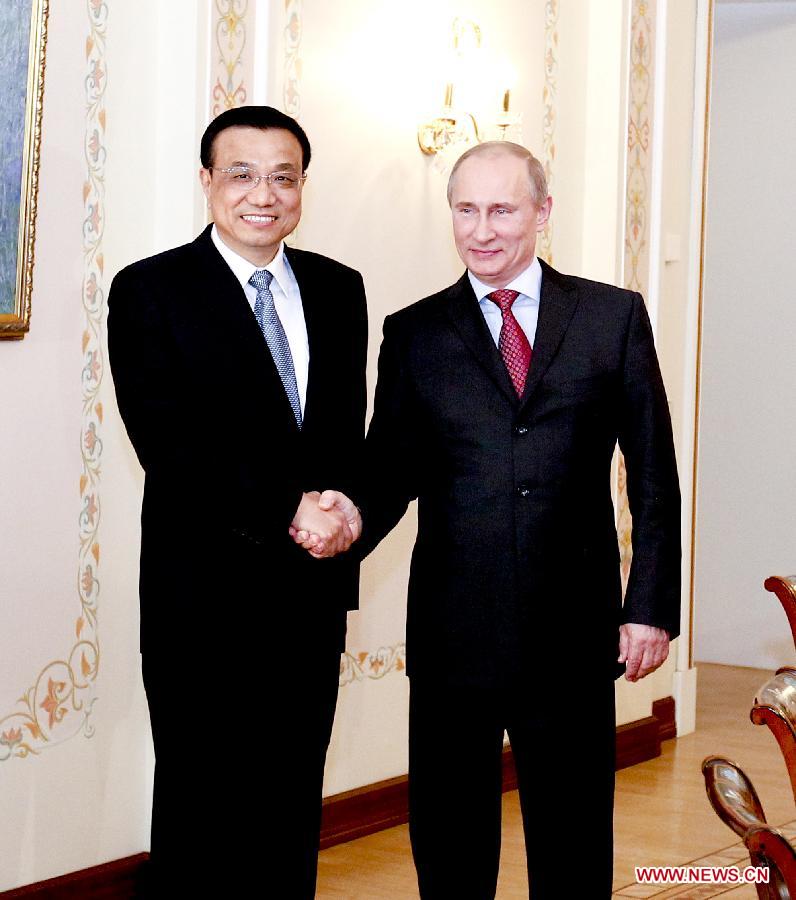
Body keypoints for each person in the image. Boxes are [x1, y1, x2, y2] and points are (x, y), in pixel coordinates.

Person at [296, 141, 680, 897]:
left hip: (572, 632)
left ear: (542, 212)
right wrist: (345, 513)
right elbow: (391, 466)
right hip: (453, 638)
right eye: (465, 210)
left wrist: (650, 608)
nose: (482, 229)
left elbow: (654, 474)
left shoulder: (611, 318)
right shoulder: (414, 334)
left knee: (572, 845)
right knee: (450, 844)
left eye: (501, 209)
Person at [108, 105, 367, 897]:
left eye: (283, 177)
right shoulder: (150, 290)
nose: (264, 193)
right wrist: (290, 506)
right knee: (201, 807)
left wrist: (347, 507)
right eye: (242, 173)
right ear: (208, 182)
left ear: (302, 188)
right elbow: (169, 443)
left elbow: (344, 435)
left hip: (310, 596)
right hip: (203, 598)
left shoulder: (337, 288)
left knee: (291, 804)